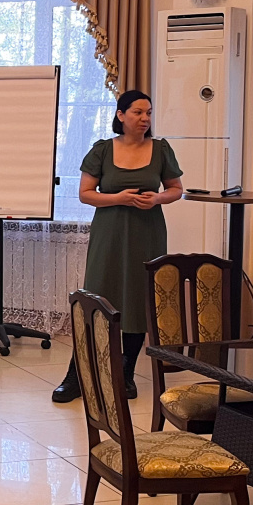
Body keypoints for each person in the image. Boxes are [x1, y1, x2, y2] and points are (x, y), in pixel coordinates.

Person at [70, 90, 184, 398]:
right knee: (97, 295)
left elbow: (176, 189)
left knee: (137, 298)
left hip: (147, 233)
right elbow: (85, 194)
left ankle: (126, 372)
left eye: (149, 113)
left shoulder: (161, 149)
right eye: (138, 112)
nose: (145, 118)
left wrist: (158, 198)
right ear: (121, 115)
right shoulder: (102, 150)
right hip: (109, 232)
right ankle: (77, 373)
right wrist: (118, 198)